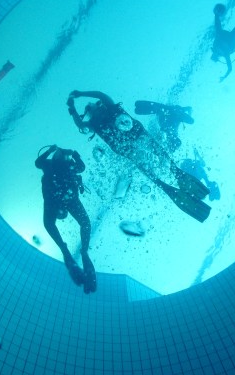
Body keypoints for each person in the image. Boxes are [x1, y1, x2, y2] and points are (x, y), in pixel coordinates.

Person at [67, 90, 211, 222]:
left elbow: (100, 95)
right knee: (148, 161)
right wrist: (73, 109)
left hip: (133, 138)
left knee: (156, 153)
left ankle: (174, 172)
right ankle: (165, 181)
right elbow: (81, 125)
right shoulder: (96, 122)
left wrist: (80, 94)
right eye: (89, 108)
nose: (92, 106)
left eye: (91, 105)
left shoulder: (110, 108)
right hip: (129, 143)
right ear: (90, 113)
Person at [35, 144, 96, 293]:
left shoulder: (53, 164)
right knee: (85, 224)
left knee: (51, 224)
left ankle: (77, 251)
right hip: (66, 200)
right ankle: (82, 252)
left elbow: (38, 163)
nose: (60, 154)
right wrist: (74, 153)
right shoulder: (67, 165)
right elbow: (82, 167)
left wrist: (56, 151)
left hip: (57, 200)